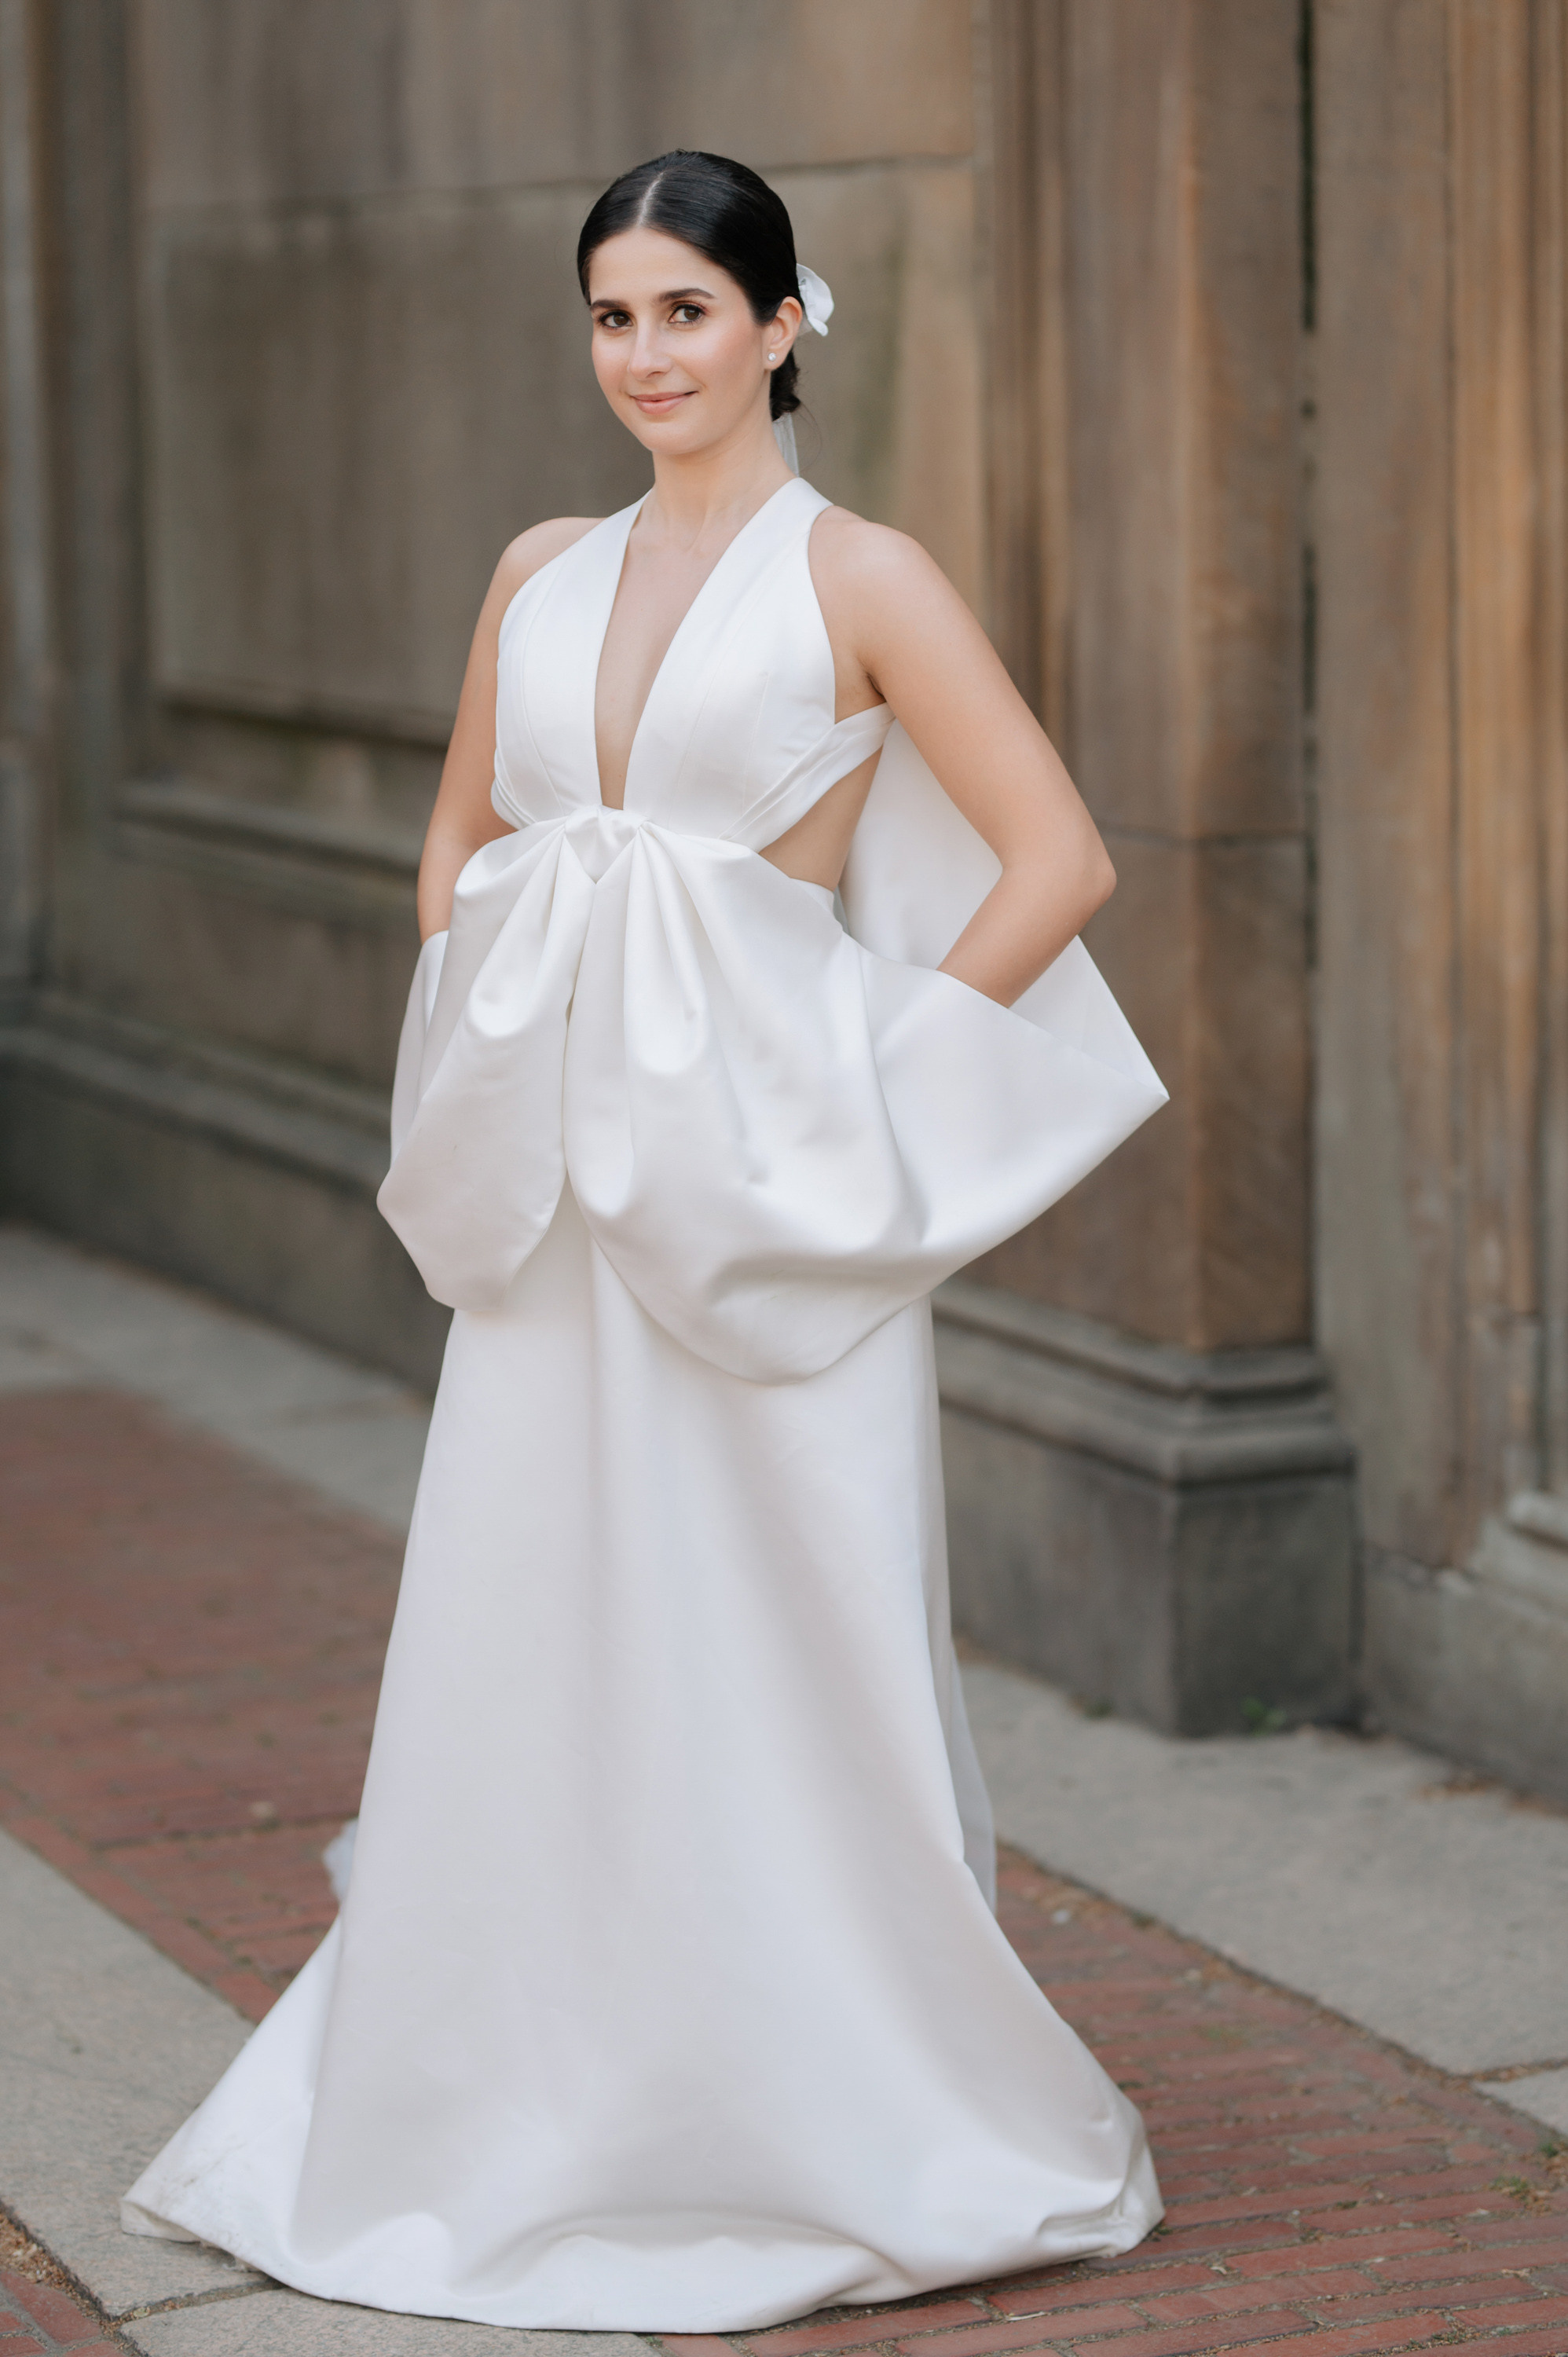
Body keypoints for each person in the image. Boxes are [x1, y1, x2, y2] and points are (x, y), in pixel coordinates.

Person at [122, 150, 1167, 2333]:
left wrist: (863, 1083)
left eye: (687, 310)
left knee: (785, 1631)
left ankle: (832, 2102)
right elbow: (457, 849)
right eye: (611, 317)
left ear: (785, 324)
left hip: (767, 1207)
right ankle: (524, 2087)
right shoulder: (535, 568)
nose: (646, 357)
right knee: (540, 1623)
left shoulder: (861, 574)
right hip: (562, 1202)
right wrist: (523, 1024)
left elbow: (1052, 856)